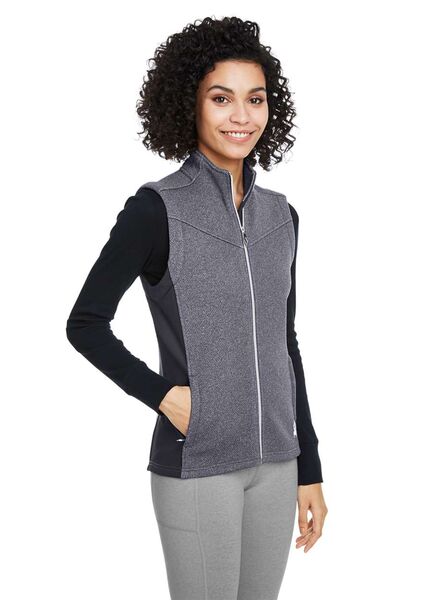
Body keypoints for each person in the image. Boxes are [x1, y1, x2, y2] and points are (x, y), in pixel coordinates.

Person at [66, 15, 328, 600]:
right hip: (197, 461)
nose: (242, 116)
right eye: (221, 98)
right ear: (191, 104)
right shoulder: (156, 210)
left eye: (255, 99)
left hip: (277, 464)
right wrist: (164, 396)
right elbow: (85, 324)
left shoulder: (282, 216)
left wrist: (308, 465)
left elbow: (284, 343)